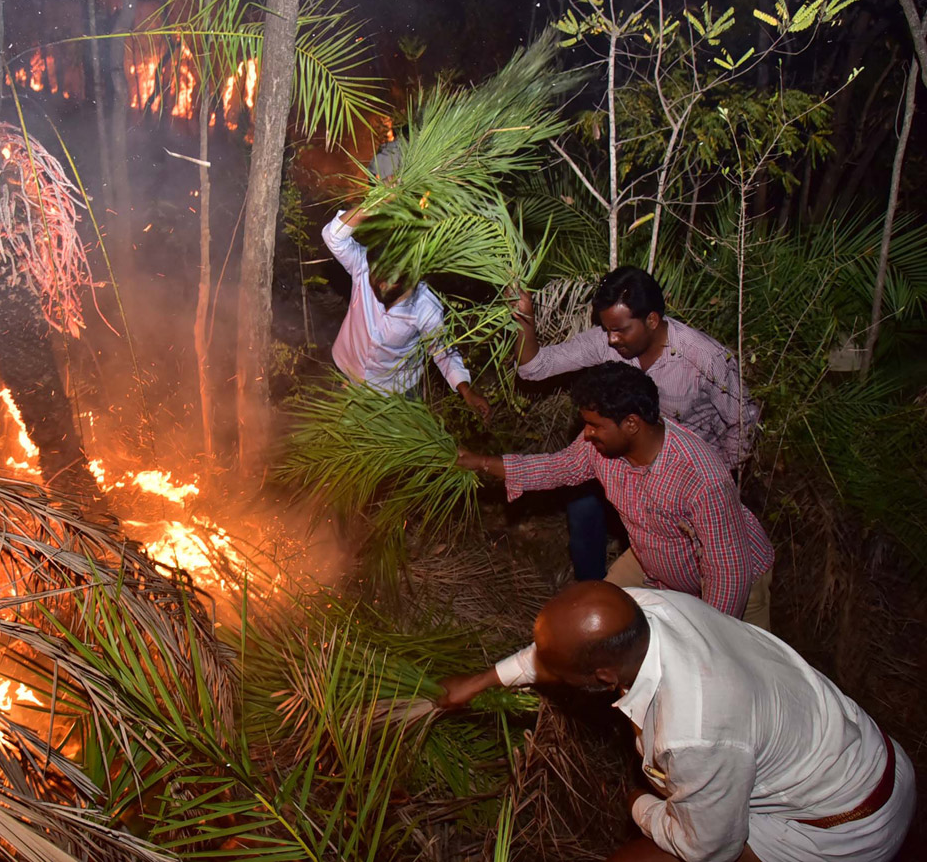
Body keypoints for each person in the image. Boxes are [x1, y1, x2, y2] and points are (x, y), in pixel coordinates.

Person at [437, 581, 915, 862]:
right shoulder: (639, 607)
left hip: (842, 826)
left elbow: (710, 848)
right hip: (863, 746)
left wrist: (635, 804)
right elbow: (559, 648)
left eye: (560, 675)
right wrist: (481, 681)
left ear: (603, 677)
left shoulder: (694, 732)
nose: (548, 673)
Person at [457, 362, 773, 627]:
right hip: (652, 558)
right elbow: (558, 467)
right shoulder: (600, 447)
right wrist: (481, 463)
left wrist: (705, 639)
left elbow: (728, 571)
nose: (587, 434)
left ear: (632, 424)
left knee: (743, 671)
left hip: (737, 581)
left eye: (594, 426)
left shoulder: (701, 477)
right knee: (599, 620)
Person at [512, 267, 759, 580]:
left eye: (621, 330)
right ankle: (596, 599)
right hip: (622, 462)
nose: (612, 338)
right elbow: (534, 368)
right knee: (583, 506)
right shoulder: (609, 341)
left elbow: (744, 422)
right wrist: (524, 319)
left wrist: (713, 477)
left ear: (652, 320)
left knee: (701, 575)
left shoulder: (705, 359)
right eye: (607, 329)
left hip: (681, 483)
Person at [322, 203, 491, 419]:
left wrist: (466, 391)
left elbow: (442, 350)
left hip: (394, 393)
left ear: (412, 276)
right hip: (346, 369)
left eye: (391, 280)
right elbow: (333, 235)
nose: (381, 285)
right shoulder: (363, 266)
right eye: (378, 276)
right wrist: (377, 202)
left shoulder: (426, 307)